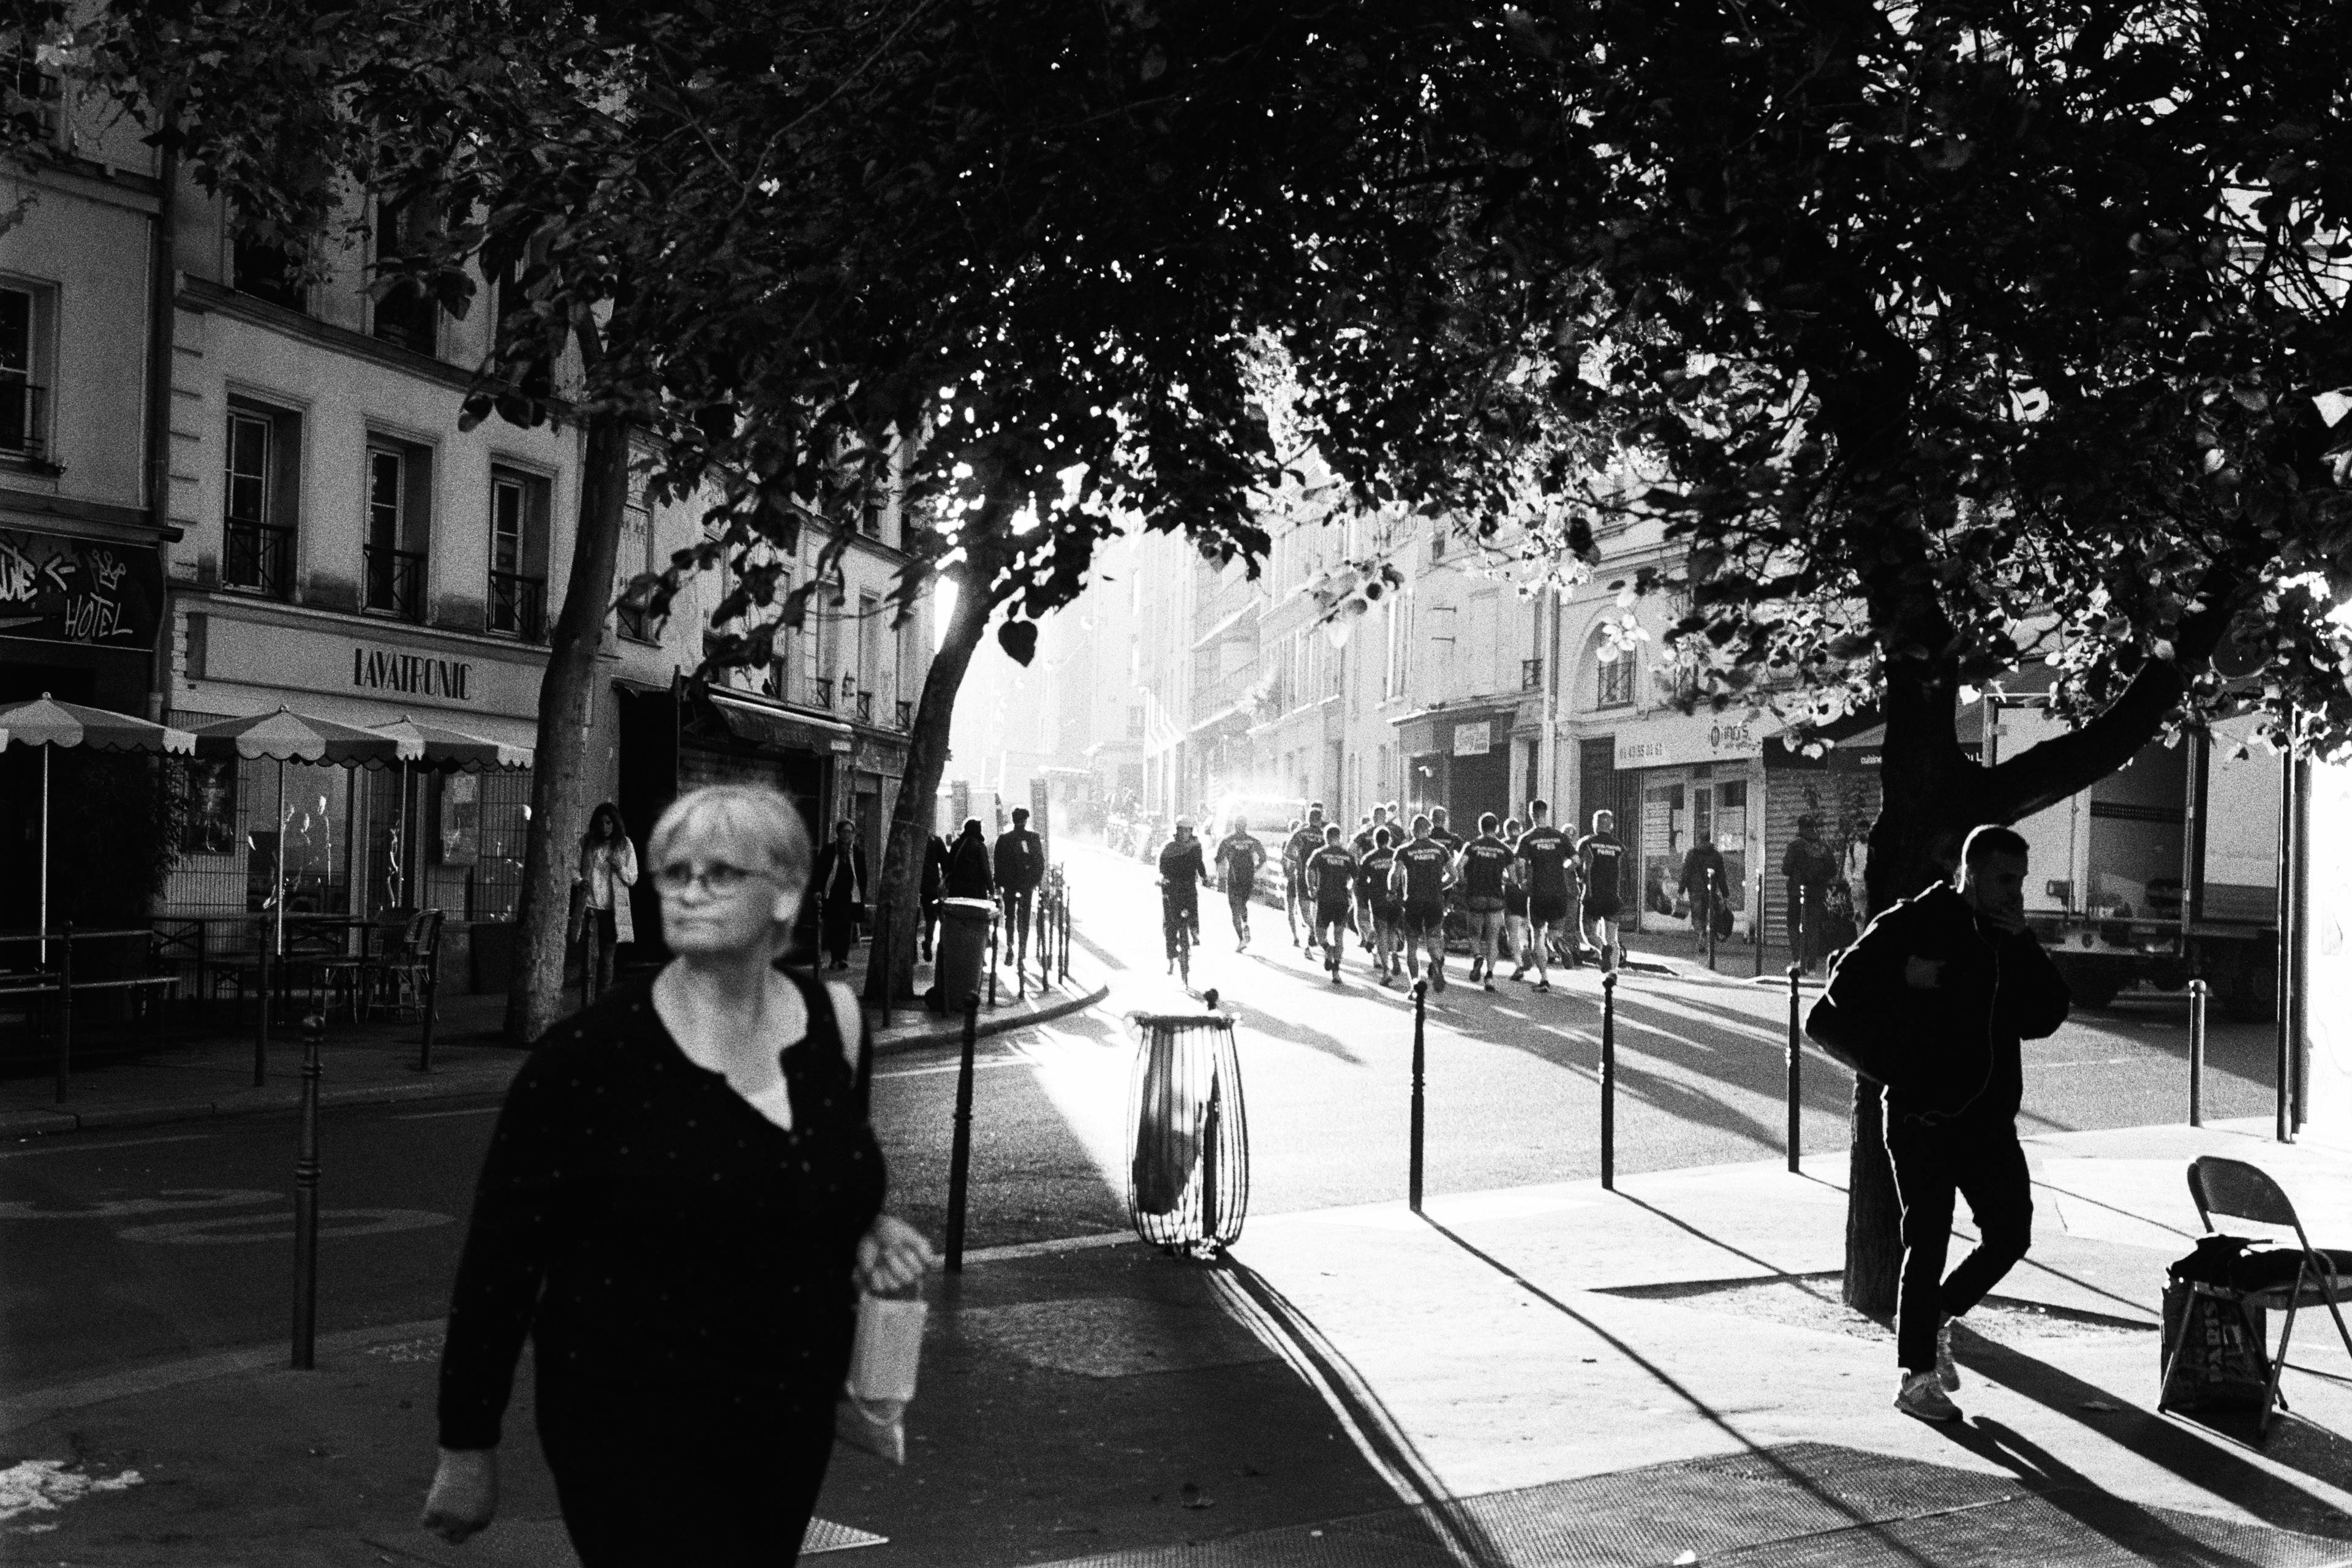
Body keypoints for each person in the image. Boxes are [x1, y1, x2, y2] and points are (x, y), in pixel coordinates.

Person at [421, 785, 936, 1564]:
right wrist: (468, 1444)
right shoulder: (587, 1060)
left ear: (788, 893)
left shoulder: (836, 1026)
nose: (691, 889)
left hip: (783, 1415)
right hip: (629, 1418)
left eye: (722, 872)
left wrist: (864, 1226)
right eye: (674, 871)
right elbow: (501, 1260)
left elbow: (818, 1172)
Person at [1804, 824, 2070, 1423]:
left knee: (2011, 1232)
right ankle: (1915, 1376)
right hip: (1922, 1116)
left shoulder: (2007, 939)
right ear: (1971, 872)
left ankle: (1935, 1316)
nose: (2014, 892)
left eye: (2020, 882)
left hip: (1988, 1118)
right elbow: (1834, 1003)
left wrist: (2022, 941)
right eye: (2005, 879)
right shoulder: (1915, 922)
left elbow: (2048, 1012)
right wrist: (1903, 991)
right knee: (1927, 1239)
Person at [571, 803, 638, 1001]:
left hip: (613, 909)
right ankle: (586, 1001)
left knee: (607, 960)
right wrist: (579, 881)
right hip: (589, 906)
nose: (605, 827)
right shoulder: (586, 841)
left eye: (609, 822)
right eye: (601, 822)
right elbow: (572, 868)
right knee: (589, 958)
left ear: (615, 823)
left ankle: (602, 1002)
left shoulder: (625, 845)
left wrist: (619, 868)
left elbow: (633, 878)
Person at [1513, 799, 1576, 988]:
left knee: (1538, 934)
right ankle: (1558, 943)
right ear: (1546, 813)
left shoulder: (1528, 838)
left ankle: (1544, 978)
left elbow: (1520, 863)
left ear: (1532, 815)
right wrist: (1565, 868)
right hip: (1559, 892)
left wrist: (1522, 881)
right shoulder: (1560, 837)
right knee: (1555, 932)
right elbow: (1576, 859)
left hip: (1538, 893)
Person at [1389, 814, 1455, 991]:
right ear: (1429, 830)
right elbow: (1454, 875)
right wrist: (1440, 886)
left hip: (1413, 902)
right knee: (1433, 939)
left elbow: (1395, 874)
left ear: (1412, 830)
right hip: (1434, 901)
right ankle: (1437, 967)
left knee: (1412, 946)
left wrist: (1392, 892)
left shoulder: (1404, 850)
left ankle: (1414, 986)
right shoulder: (1440, 849)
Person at [1455, 813, 1515, 992]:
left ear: (1480, 828)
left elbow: (1459, 865)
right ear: (1497, 828)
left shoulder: (1472, 846)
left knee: (1474, 934)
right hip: (1496, 897)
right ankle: (1489, 977)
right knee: (1493, 939)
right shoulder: (1505, 849)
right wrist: (1502, 878)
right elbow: (1513, 877)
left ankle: (1478, 956)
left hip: (1476, 895)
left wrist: (1464, 880)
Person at [1784, 813, 1841, 973]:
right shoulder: (1823, 845)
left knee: (1793, 924)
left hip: (1797, 892)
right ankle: (1812, 967)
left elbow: (1786, 868)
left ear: (1800, 827)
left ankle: (1797, 959)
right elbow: (1833, 869)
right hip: (1818, 892)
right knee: (1814, 928)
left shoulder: (1795, 845)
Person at [993, 807, 1046, 976]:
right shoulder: (1033, 838)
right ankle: (1022, 952)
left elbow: (998, 863)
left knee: (1010, 915)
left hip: (1009, 884)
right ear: (1026, 820)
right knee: (1024, 918)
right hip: (1026, 884)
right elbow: (1039, 861)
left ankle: (1010, 946)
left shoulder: (1004, 839)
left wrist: (999, 882)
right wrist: (1035, 881)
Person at [1304, 824, 1359, 985]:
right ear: (1339, 837)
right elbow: (1357, 877)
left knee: (1320, 935)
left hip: (1325, 899)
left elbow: (1310, 870)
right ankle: (1336, 973)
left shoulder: (1320, 853)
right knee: (1339, 936)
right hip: (1341, 900)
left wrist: (1311, 887)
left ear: (1326, 838)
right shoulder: (1347, 856)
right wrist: (1350, 890)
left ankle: (1328, 950)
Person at [810, 818, 867, 971]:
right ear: (838, 833)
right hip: (832, 894)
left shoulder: (857, 852)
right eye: (844, 831)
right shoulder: (829, 850)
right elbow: (820, 872)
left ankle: (843, 958)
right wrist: (817, 890)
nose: (847, 835)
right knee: (833, 926)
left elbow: (862, 875)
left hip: (849, 895)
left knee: (846, 927)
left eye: (850, 832)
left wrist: (862, 894)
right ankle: (835, 958)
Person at [1157, 816, 1212, 972]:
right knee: (1170, 924)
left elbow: (1199, 864)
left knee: (1192, 909)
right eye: (1182, 830)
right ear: (1177, 831)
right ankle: (1171, 958)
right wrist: (1161, 879)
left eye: (1188, 831)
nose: (1184, 834)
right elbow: (1162, 868)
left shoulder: (1195, 846)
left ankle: (1194, 933)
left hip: (1188, 886)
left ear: (1191, 832)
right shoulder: (1169, 847)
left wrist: (1204, 877)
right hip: (1171, 888)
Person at [1578, 809, 1627, 973]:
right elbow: (1626, 874)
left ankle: (1601, 949)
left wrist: (1580, 879)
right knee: (1612, 938)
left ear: (1595, 824)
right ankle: (1612, 973)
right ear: (1611, 826)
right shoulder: (1620, 847)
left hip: (1592, 897)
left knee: (1588, 934)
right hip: (1613, 897)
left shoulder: (1587, 843)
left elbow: (1578, 866)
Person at [1214, 816, 1267, 951]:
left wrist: (1221, 871)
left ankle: (1241, 938)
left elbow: (1219, 858)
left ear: (1235, 825)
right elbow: (1263, 856)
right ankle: (1246, 924)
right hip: (1248, 878)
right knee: (1242, 904)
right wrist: (1257, 867)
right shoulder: (1252, 841)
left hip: (1234, 878)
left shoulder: (1228, 841)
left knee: (1234, 910)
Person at [1359, 825, 1403, 984]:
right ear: (1389, 839)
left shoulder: (1369, 858)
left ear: (1375, 842)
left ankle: (1387, 971)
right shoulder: (1397, 855)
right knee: (1392, 931)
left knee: (1381, 933)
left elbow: (1361, 882)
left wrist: (1364, 900)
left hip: (1378, 900)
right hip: (1396, 899)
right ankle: (1395, 955)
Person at [1284, 805, 1327, 951]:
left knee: (1304, 910)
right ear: (1320, 820)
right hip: (1321, 875)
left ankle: (1313, 931)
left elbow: (1287, 852)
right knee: (1317, 907)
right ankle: (1316, 933)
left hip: (1303, 874)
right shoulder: (1325, 835)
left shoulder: (1300, 833)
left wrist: (1299, 860)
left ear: (1308, 819)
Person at [1681, 834, 1729, 946]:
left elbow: (1686, 873)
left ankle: (1701, 933)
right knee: (1713, 912)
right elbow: (1721, 876)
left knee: (1698, 914)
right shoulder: (1716, 855)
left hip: (1695, 890)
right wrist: (1725, 893)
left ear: (1699, 840)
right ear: (1709, 840)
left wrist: (1681, 889)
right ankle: (1713, 932)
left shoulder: (1692, 854)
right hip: (1711, 889)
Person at [1499, 816, 1528, 973]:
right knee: (1524, 926)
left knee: (1512, 931)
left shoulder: (1502, 846)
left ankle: (1519, 965)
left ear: (1506, 830)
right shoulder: (1526, 843)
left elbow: (1500, 871)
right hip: (1527, 889)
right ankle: (1525, 947)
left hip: (1511, 890)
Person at [943, 817, 993, 900]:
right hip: (975, 890)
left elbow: (949, 866)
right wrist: (991, 889)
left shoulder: (956, 844)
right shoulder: (980, 846)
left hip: (956, 889)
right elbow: (985, 868)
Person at [918, 831, 948, 962]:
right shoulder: (935, 841)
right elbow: (946, 863)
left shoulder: (914, 837)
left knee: (926, 916)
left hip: (917, 883)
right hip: (931, 883)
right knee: (933, 917)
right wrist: (944, 882)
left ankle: (923, 945)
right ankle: (930, 941)